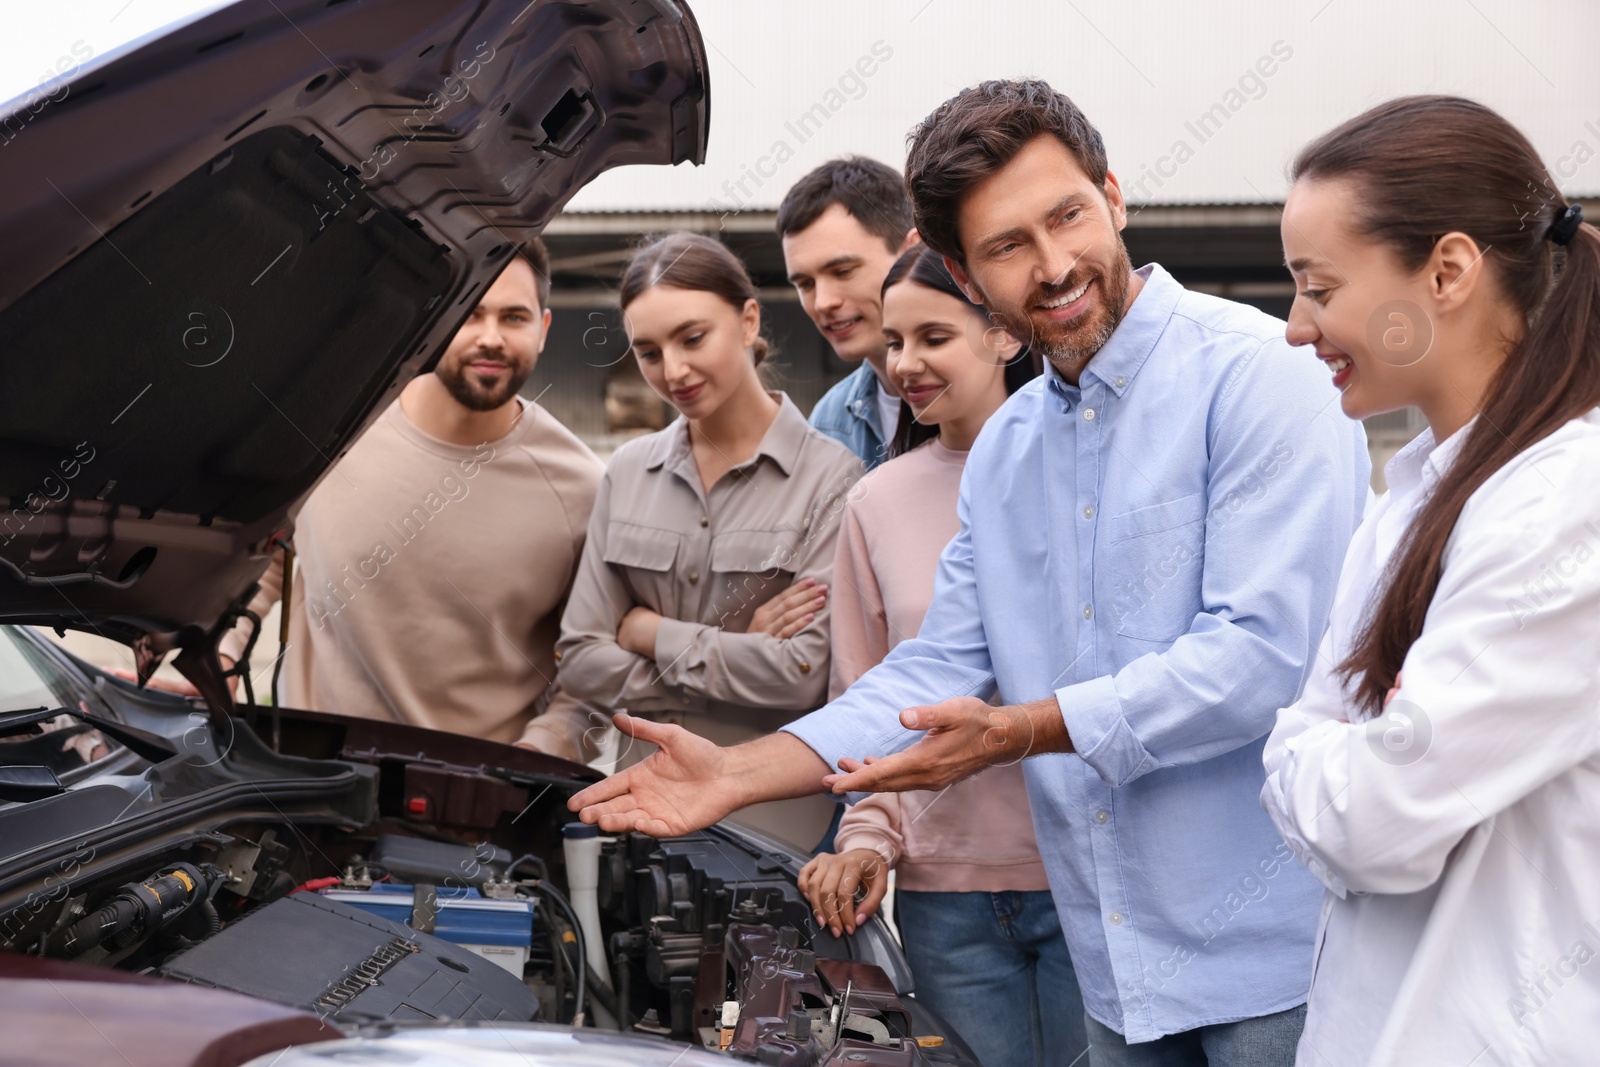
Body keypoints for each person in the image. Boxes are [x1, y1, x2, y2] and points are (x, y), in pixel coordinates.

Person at [570, 79, 1373, 1066]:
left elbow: (1259, 654)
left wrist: (1020, 731)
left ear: (1113, 196)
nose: (1051, 265)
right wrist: (739, 770)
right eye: (1005, 246)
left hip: (1277, 958)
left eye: (1067, 216)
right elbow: (929, 670)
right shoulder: (1007, 452)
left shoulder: (1259, 374)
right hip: (1114, 966)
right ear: (962, 270)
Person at [1262, 96, 1600, 1067]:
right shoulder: (1417, 487)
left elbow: (1371, 821)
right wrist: (1334, 742)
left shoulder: (1560, 505)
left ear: (1447, 270)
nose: (1295, 326)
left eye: (1317, 288)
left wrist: (1305, 740)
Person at [146, 242, 609, 761]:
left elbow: (592, 676)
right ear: (436, 320)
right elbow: (272, 556)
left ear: (543, 329)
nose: (490, 338)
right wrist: (222, 661)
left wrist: (531, 761)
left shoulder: (584, 490)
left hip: (468, 806)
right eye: (472, 313)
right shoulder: (329, 427)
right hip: (307, 775)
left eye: (514, 317)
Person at [797, 244, 1079, 1067]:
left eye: (933, 337)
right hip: (942, 896)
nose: (905, 364)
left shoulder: (1082, 479)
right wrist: (866, 839)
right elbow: (866, 698)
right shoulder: (874, 500)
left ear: (1003, 335)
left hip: (1080, 880)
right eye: (893, 342)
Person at [555, 233, 864, 849]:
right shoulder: (627, 472)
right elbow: (581, 660)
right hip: (641, 821)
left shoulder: (834, 479)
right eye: (648, 351)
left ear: (748, 320)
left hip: (776, 835)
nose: (672, 371)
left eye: (693, 338)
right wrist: (732, 648)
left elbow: (805, 674)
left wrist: (651, 635)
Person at [780, 157, 919, 471]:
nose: (822, 303)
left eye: (843, 271)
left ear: (912, 252)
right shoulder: (827, 424)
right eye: (805, 284)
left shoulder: (1011, 391)